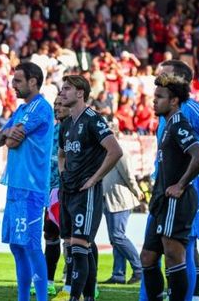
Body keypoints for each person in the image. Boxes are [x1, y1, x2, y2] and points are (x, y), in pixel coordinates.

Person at [141, 60, 199, 301]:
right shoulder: (165, 112)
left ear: (178, 84)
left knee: (183, 248)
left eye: (164, 74)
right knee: (157, 252)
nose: (158, 77)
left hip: (183, 189)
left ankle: (189, 297)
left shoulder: (189, 109)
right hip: (164, 188)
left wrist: (198, 174)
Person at [56, 75, 123, 301]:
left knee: (79, 246)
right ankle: (89, 298)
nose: (62, 92)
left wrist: (94, 179)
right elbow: (62, 152)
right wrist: (64, 173)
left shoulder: (94, 119)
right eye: (62, 88)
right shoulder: (65, 124)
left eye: (67, 89)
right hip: (69, 190)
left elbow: (115, 151)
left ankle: (75, 298)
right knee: (78, 247)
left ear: (80, 93)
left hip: (86, 192)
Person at [141, 73, 199, 301]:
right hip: (161, 200)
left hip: (176, 201)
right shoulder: (168, 125)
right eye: (154, 96)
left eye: (160, 97)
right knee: (147, 257)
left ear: (174, 101)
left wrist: (180, 184)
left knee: (173, 255)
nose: (154, 101)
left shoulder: (179, 124)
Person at [0, 63, 54, 301]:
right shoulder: (20, 110)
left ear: (33, 81)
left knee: (30, 245)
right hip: (16, 185)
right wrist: (8, 133)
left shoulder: (42, 108)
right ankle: (23, 298)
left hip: (31, 185)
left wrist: (8, 135)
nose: (13, 85)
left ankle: (41, 298)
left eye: (18, 81)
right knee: (16, 246)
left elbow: (11, 142)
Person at [34, 97, 67, 297]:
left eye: (60, 105)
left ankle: (86, 283)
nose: (56, 108)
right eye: (55, 105)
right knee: (51, 235)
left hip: (70, 191)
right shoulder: (50, 131)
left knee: (77, 238)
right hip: (50, 191)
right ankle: (48, 281)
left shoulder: (76, 130)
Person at [101, 137, 144, 285]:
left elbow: (128, 175)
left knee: (118, 236)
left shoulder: (120, 152)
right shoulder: (105, 151)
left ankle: (139, 269)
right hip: (109, 199)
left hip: (120, 199)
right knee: (115, 239)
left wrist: (137, 190)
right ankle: (118, 274)